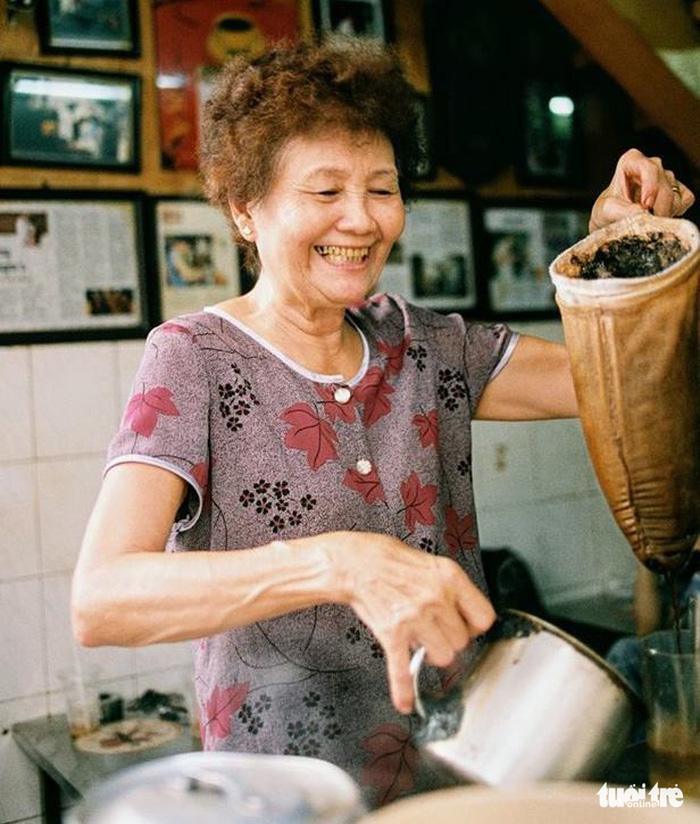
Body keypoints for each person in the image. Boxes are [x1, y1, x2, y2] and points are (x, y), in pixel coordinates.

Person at [72, 39, 695, 807]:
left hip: (462, 785)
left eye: (383, 188)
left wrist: (625, 247)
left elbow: (623, 380)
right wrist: (338, 563)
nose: (362, 221)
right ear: (244, 207)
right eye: (325, 191)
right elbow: (102, 600)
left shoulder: (426, 345)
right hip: (294, 800)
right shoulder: (194, 357)